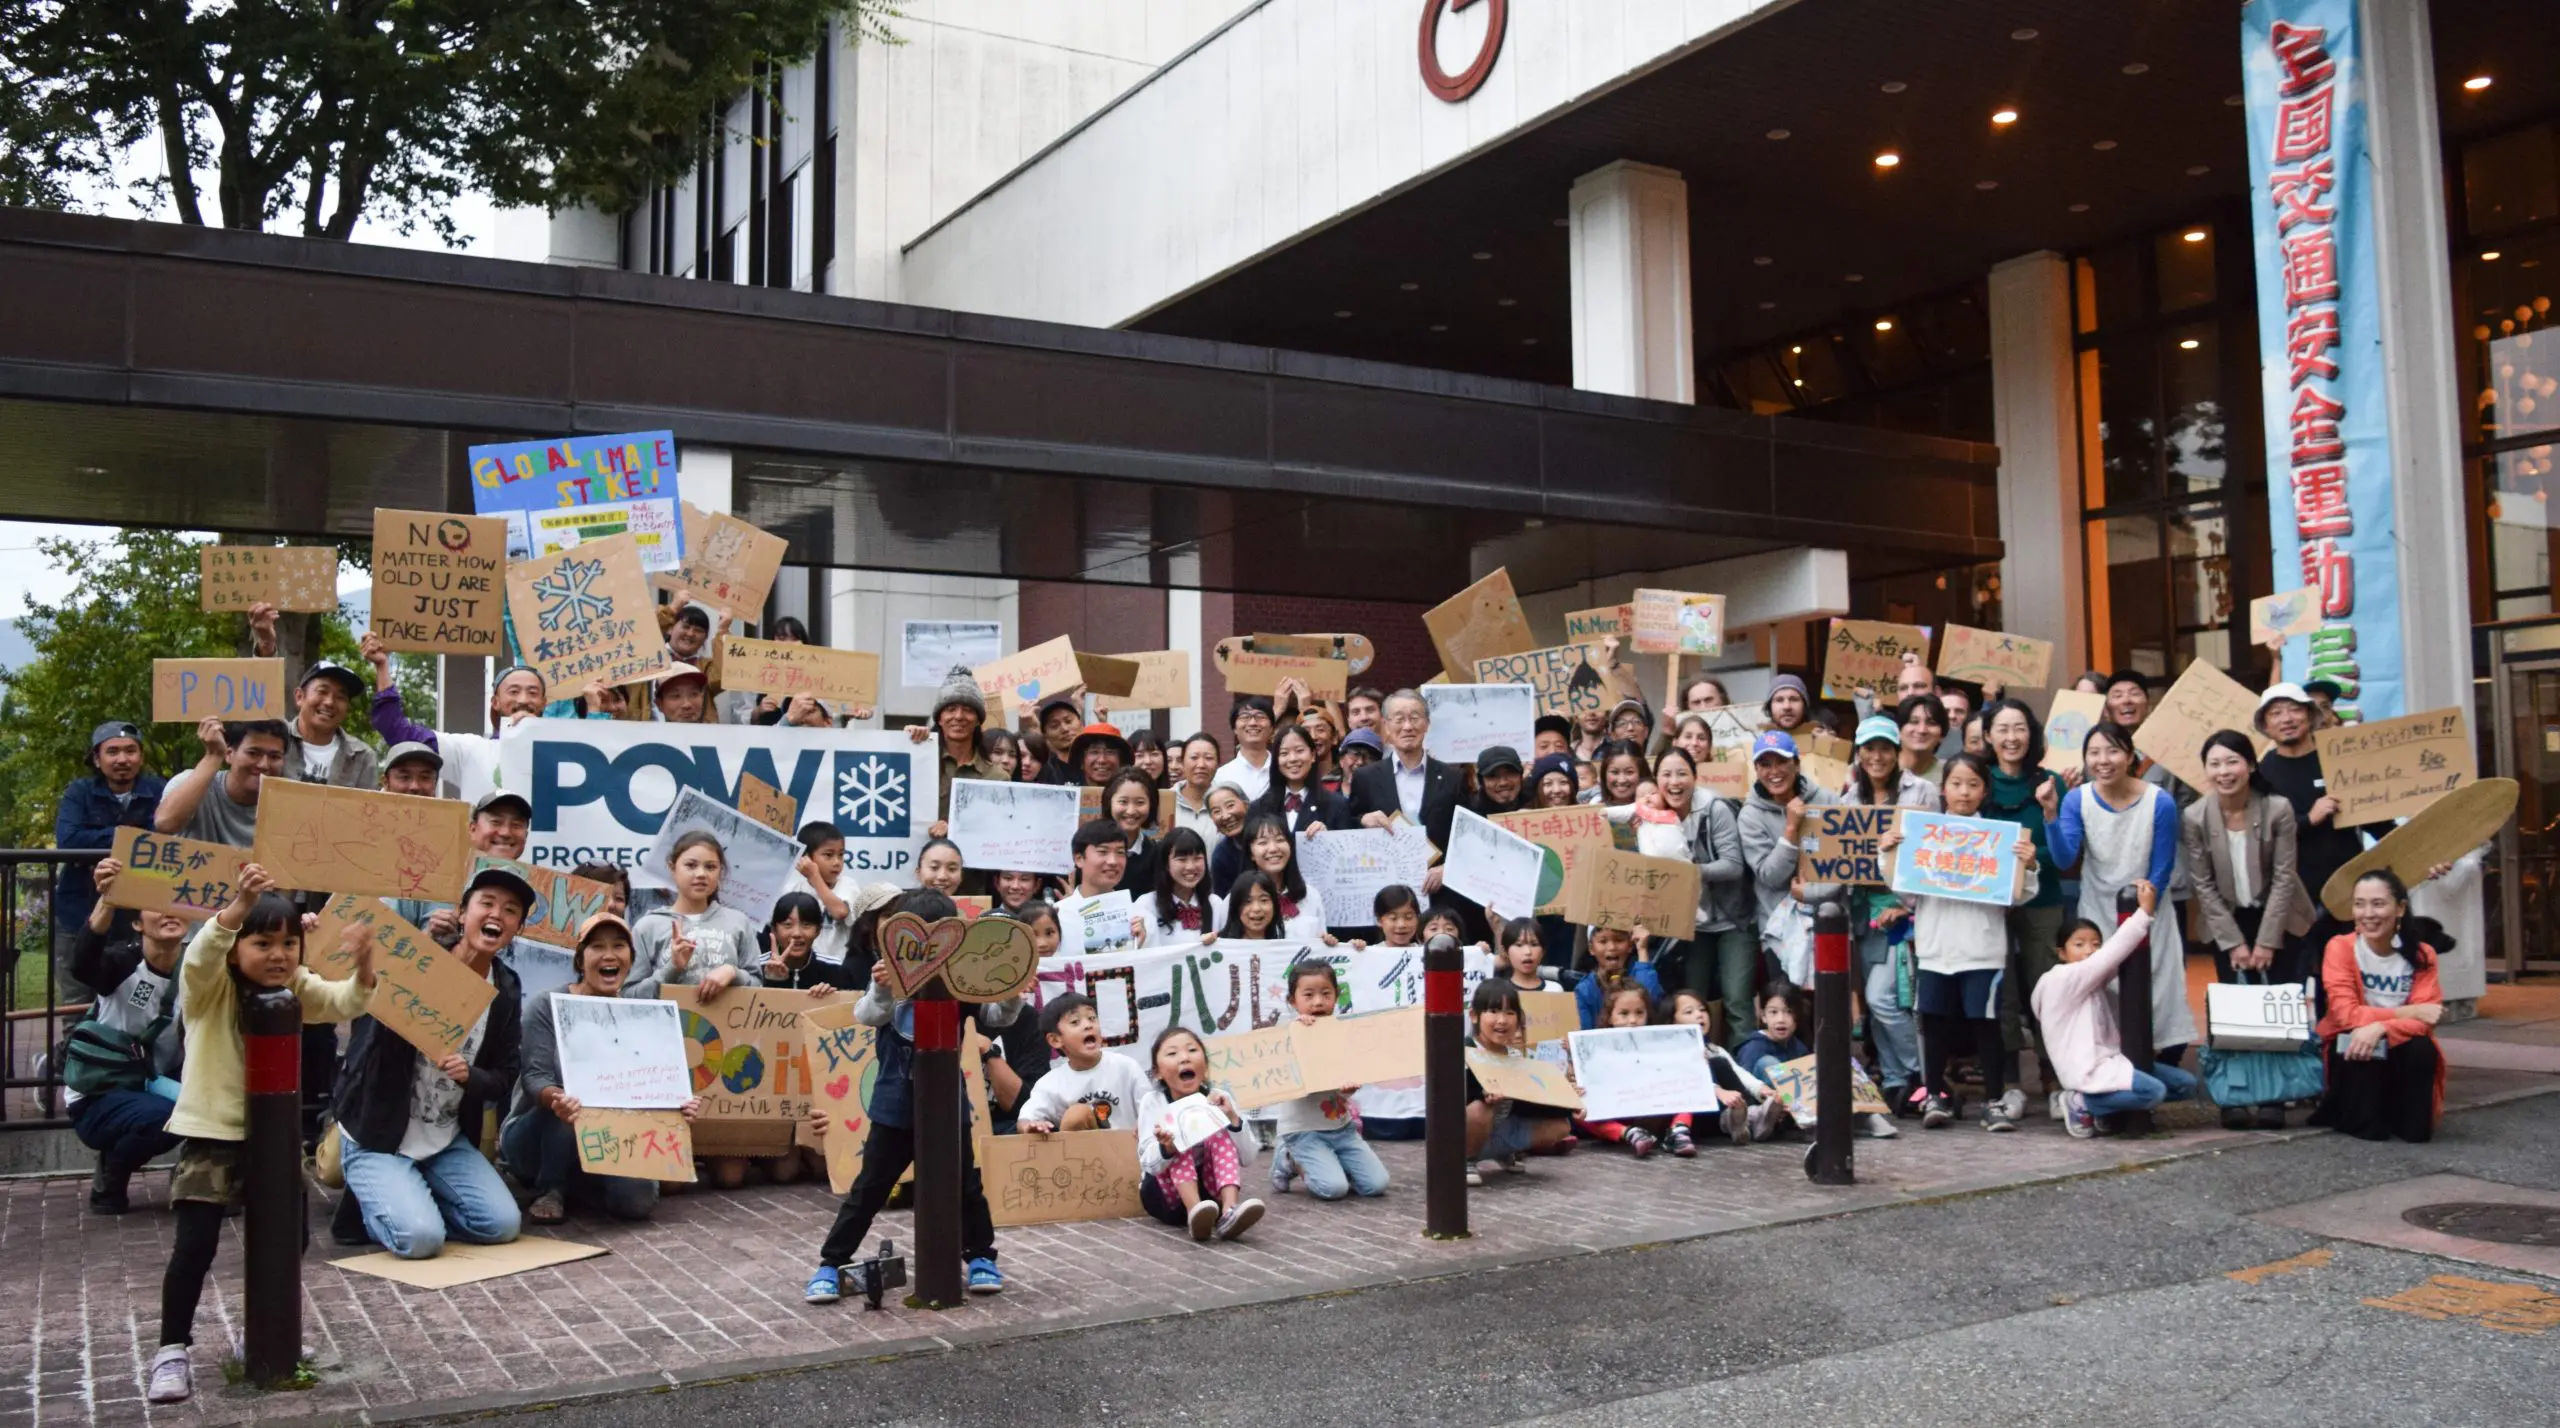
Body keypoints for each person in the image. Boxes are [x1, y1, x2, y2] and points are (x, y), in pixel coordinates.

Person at [144, 865, 377, 1404]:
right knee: (195, 1245)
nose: (279, 955)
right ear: (235, 950)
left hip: (272, 1138)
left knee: (289, 1237)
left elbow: (343, 1002)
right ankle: (171, 1349)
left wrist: (364, 964)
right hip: (212, 1133)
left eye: (289, 943)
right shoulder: (208, 989)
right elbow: (201, 955)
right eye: (263, 943)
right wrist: (238, 906)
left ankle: (266, 1332)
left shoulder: (294, 988)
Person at [805, 889, 1020, 1303]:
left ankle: (980, 1256)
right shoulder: (888, 970)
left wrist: (1011, 990)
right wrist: (882, 987)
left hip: (948, 1102)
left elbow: (998, 1016)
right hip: (894, 1101)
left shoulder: (963, 977)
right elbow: (868, 1015)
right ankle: (831, 1263)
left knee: (964, 1185)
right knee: (869, 1188)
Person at [329, 864, 529, 1258]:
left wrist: (470, 1076)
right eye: (487, 904)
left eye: (510, 911)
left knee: (501, 1225)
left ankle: (410, 1197)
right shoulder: (420, 958)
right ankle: (377, 1207)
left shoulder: (506, 988)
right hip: (378, 1136)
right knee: (421, 1240)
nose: (497, 915)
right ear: (461, 913)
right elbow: (365, 1015)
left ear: (517, 929)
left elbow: (505, 1075)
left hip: (444, 1141)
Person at [501, 914, 703, 1225]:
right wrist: (557, 1099)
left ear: (630, 959)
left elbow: (654, 1083)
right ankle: (551, 1187)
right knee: (572, 1105)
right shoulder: (546, 1005)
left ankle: (580, 1185)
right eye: (597, 947)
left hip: (604, 1138)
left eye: (618, 946)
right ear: (580, 960)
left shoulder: (637, 1012)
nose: (609, 955)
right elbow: (534, 1078)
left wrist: (678, 1105)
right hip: (535, 1140)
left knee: (637, 1202)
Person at [1881, 754, 2039, 1131]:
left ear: (1985, 790)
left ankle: (1993, 1101)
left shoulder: (2000, 839)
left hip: (1983, 949)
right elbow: (1904, 889)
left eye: (1972, 784)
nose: (1964, 792)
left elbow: (2020, 894)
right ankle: (1935, 1096)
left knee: (1986, 1025)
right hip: (1935, 947)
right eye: (1956, 783)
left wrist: (2029, 866)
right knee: (1934, 1023)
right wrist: (1888, 852)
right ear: (1943, 789)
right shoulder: (1924, 836)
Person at [2047, 723, 2200, 1068]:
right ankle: (2108, 1068)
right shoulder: (2077, 799)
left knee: (2158, 987)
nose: (2103, 760)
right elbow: (2065, 858)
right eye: (2094, 753)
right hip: (2097, 910)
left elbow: (2162, 862)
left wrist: (2146, 908)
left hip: (2148, 908)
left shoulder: (2159, 802)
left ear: (2130, 756)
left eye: (2113, 751)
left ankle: (2162, 1067)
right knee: (2102, 993)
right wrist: (2051, 815)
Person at [66, 858, 187, 1214]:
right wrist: (108, 898)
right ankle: (111, 1176)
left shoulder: (197, 967)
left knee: (225, 1103)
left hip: (159, 1082)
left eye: (176, 902)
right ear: (137, 923)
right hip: (101, 1094)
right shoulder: (122, 964)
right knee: (169, 1116)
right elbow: (83, 964)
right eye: (156, 905)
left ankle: (199, 1176)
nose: (169, 912)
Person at [2036, 881, 2192, 1138]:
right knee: (2153, 1092)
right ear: (2061, 953)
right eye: (2079, 944)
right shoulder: (2061, 978)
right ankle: (2082, 1102)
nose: (2089, 951)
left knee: (2185, 1085)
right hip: (2087, 1066)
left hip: (2112, 1060)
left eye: (2095, 944)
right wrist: (2143, 914)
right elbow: (2110, 955)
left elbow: (2113, 958)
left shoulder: (2090, 978)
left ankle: (2107, 1109)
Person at [2310, 870, 2446, 1143]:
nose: (2368, 914)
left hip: (2395, 1039)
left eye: (2378, 904)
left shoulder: (2423, 954)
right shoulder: (2340, 947)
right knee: (2360, 1046)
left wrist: (2380, 1028)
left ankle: (2404, 1117)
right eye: (2359, 904)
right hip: (2351, 1042)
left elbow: (2426, 1019)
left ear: (2400, 908)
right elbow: (2346, 1015)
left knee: (2421, 1049)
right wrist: (2406, 1012)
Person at [1844, 716, 1936, 1105]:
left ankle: (1924, 1073)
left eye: (1885, 748)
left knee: (1886, 998)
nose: (1877, 757)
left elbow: (1935, 852)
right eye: (1869, 748)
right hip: (1864, 914)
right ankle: (1897, 1079)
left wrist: (1907, 907)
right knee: (1876, 1003)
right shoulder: (1848, 800)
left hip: (1904, 913)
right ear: (1859, 753)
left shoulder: (1923, 792)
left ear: (1897, 752)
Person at [1977, 697, 2067, 1088]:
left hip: (2042, 900)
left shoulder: (2052, 783)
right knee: (2003, 991)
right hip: (1991, 904)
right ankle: (2011, 1078)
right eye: (2003, 729)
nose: (2012, 737)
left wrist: (2031, 858)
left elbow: (2063, 848)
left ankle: (2054, 1071)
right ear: (1987, 736)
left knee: (2048, 987)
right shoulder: (1978, 781)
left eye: (2020, 728)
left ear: (2032, 734)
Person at [2182, 728, 2315, 985]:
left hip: (2280, 916)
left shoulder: (2277, 809)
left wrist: (2267, 941)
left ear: (2251, 765)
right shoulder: (2195, 817)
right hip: (2226, 919)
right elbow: (2204, 884)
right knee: (2235, 1001)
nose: (2224, 772)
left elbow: (2284, 877)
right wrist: (2233, 943)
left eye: (2232, 762)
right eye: (2215, 764)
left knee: (2283, 997)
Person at [2253, 682, 2363, 983]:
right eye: (2276, 713)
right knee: (2293, 979)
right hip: (2292, 896)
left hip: (2345, 888)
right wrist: (2308, 820)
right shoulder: (2261, 775)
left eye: (2294, 710)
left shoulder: (2339, 761)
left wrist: (2421, 852)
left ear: (2310, 715)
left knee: (2344, 978)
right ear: (2265, 725)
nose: (2286, 719)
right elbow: (2261, 836)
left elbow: (2377, 819)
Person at [361, 633, 548, 803]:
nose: (523, 700)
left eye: (533, 693)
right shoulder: (472, 751)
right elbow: (397, 730)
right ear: (495, 702)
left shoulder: (562, 754)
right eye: (513, 691)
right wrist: (382, 666)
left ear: (544, 703)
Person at [1267, 960, 1391, 1199]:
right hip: (1303, 1130)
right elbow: (1282, 1070)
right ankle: (1288, 1158)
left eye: (1326, 994)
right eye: (1308, 995)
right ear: (1293, 1001)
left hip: (1341, 1127)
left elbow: (1348, 1075)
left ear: (1337, 995)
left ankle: (1335, 1163)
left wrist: (1349, 1089)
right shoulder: (1288, 1032)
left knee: (1376, 1185)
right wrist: (1297, 1031)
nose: (1318, 1002)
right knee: (1333, 1189)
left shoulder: (1345, 1031)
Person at [54, 720, 165, 983]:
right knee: (76, 996)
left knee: (132, 993)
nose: (122, 759)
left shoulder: (160, 790)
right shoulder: (79, 792)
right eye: (112, 751)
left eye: (130, 750)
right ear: (97, 759)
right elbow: (69, 840)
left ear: (141, 757)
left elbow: (167, 838)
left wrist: (102, 840)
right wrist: (129, 837)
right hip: (78, 913)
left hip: (137, 919)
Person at [1132, 1026, 1263, 1240]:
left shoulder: (1218, 1098)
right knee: (1180, 1137)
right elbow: (1148, 1163)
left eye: (1192, 1050)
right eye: (1172, 1053)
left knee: (1220, 1133)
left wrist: (1232, 1118)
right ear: (1158, 1072)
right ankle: (1195, 1213)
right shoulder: (1153, 1102)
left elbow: (1248, 1157)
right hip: (1165, 1196)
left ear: (1206, 1065)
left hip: (1209, 1196)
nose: (1185, 1058)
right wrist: (1166, 1148)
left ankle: (1229, 1212)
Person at [1738, 731, 1841, 991]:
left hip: (1829, 920)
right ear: (1756, 770)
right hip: (1779, 929)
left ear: (1796, 763)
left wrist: (1812, 893)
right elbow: (1770, 876)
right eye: (1765, 764)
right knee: (1787, 1005)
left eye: (1782, 761)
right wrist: (1791, 830)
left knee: (1830, 1002)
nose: (1774, 771)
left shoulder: (1828, 800)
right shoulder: (1750, 815)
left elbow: (1844, 865)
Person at [625, 833, 763, 1004]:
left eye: (710, 867)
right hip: (668, 1021)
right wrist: (672, 968)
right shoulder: (648, 926)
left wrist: (733, 973)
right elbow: (629, 995)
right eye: (690, 865)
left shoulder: (739, 922)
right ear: (672, 868)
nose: (701, 874)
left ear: (720, 872)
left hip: (728, 1021)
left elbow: (759, 988)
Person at [1464, 980, 1573, 1185]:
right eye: (1493, 1011)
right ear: (1474, 1015)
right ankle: (1466, 1160)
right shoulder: (1465, 1050)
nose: (1502, 1020)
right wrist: (1482, 1094)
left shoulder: (1515, 1056)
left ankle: (1503, 1152)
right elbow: (1449, 1099)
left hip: (1497, 1131)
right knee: (1479, 1109)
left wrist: (1569, 1102)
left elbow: (1531, 1101)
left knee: (1561, 1125)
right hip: (1459, 1136)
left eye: (1509, 1013)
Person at [1347, 690, 1464, 863]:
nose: (1407, 727)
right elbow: (1348, 824)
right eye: (1399, 719)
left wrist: (1445, 869)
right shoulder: (1366, 777)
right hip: (1386, 873)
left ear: (1427, 724)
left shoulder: (1453, 777)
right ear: (1386, 725)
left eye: (1414, 718)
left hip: (1437, 876)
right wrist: (1363, 820)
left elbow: (1465, 834)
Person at [1015, 995, 1153, 1133]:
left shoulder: (1126, 1067)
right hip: (1080, 1147)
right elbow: (1026, 1118)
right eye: (1075, 1022)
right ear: (1055, 1040)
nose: (1088, 1025)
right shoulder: (1050, 1084)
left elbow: (1151, 1110)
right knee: (1077, 1116)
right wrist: (1031, 1126)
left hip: (1129, 1144)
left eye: (1092, 1018)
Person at [152, 717, 283, 848]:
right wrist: (214, 755)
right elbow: (165, 823)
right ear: (229, 754)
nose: (264, 764)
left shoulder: (287, 804)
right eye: (253, 753)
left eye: (275, 757)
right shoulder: (190, 782)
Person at [1576, 982, 1670, 1157]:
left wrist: (1692, 1061)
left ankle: (1679, 1131)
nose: (1633, 1021)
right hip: (1610, 1117)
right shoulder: (1595, 1050)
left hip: (1649, 1114)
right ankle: (1628, 1134)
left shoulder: (1660, 1046)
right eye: (1624, 1014)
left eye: (1639, 1013)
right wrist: (1580, 1091)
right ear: (1610, 1018)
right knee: (1576, 1111)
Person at [908, 670, 1005, 827]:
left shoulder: (997, 777)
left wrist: (954, 829)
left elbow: (997, 827)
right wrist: (905, 742)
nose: (959, 716)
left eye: (968, 710)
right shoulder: (918, 764)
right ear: (939, 719)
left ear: (978, 720)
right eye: (951, 709)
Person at [277, 660, 379, 788]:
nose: (329, 702)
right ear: (299, 697)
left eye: (340, 697)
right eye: (322, 691)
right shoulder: (275, 739)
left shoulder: (362, 757)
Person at [1239, 810, 1333, 943]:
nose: (1273, 849)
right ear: (1251, 854)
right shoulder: (1237, 898)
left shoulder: (1311, 895)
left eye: (1280, 840)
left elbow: (1321, 946)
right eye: (1263, 842)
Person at [784, 821, 862, 972]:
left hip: (839, 968)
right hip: (804, 969)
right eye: (828, 855)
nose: (837, 862)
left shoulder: (847, 885)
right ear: (806, 857)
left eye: (841, 855)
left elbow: (840, 912)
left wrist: (814, 876)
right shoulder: (793, 890)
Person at [1253, 724, 1351, 837]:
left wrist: (1327, 837)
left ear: (1313, 755)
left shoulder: (1336, 805)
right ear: (1276, 760)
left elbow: (1347, 845)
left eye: (1299, 751)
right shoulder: (1259, 808)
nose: (1293, 759)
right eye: (1284, 753)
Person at [1140, 827, 1224, 944]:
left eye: (1197, 858)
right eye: (1182, 859)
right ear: (1166, 864)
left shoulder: (1216, 904)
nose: (1190, 867)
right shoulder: (1147, 905)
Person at [1573, 924, 1661, 1029]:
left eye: (1619, 940)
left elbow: (1651, 998)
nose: (1612, 947)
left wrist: (1642, 949)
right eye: (1603, 941)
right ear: (1591, 948)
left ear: (1630, 946)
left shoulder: (1641, 974)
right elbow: (1583, 1031)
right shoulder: (1585, 990)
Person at [761, 892, 849, 995]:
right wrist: (772, 980)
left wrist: (827, 997)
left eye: (806, 925)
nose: (797, 933)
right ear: (774, 930)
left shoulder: (834, 968)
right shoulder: (757, 967)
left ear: (818, 930)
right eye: (788, 924)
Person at [1215, 696, 1278, 800]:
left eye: (1260, 716)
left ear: (1272, 728)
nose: (1253, 723)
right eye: (1245, 717)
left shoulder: (1283, 769)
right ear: (1234, 728)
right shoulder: (1222, 775)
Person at [1171, 733, 1223, 839]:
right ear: (1182, 762)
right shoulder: (1166, 800)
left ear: (1218, 763)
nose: (1201, 765)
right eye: (1194, 757)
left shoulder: (1226, 801)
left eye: (1208, 758)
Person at [1497, 917, 1561, 993]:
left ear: (1543, 951)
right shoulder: (1499, 991)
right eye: (1519, 945)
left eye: (1534, 944)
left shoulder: (1554, 990)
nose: (1528, 952)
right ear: (1505, 951)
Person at [1897, 693, 1948, 785]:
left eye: (1931, 723)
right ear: (1899, 730)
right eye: (1914, 722)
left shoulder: (1950, 774)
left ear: (1942, 734)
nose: (1922, 730)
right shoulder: (1881, 768)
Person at [378, 741, 444, 796]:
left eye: (425, 777)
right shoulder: (372, 807)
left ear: (435, 784)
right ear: (386, 782)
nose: (415, 787)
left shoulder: (446, 807)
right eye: (404, 777)